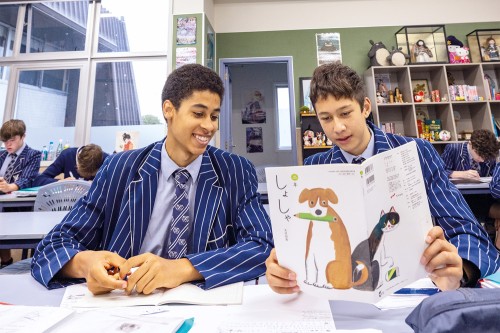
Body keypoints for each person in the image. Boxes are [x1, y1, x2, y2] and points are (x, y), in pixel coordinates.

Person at [31, 64, 273, 295]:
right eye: (199, 113)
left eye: (214, 116)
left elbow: (262, 245)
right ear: (169, 110)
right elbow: (52, 245)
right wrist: (86, 264)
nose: (209, 126)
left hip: (203, 308)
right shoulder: (119, 168)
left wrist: (183, 268)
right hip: (126, 303)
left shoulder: (235, 170)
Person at [265, 63, 500, 294]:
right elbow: (300, 243)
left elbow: (468, 231)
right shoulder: (314, 168)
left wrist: (461, 269)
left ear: (366, 107)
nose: (337, 127)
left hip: (411, 291)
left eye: (345, 113)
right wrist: (283, 270)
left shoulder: (417, 152)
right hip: (341, 292)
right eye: (326, 118)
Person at [441, 129, 500, 248]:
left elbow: (493, 177)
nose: (483, 160)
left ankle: (494, 251)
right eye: (480, 156)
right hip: (460, 200)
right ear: (471, 144)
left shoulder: (489, 155)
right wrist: (457, 174)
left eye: (486, 157)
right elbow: (439, 171)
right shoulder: (453, 149)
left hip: (484, 198)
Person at [0, 119, 41, 267]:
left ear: (23, 136)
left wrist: (10, 187)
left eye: (12, 140)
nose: (8, 145)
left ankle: (6, 262)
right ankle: (5, 262)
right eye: (5, 141)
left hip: (18, 206)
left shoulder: (33, 155)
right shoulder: (2, 155)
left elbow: (28, 179)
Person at [33, 144, 109, 186]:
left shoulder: (107, 160)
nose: (86, 177)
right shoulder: (67, 156)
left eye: (91, 174)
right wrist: (61, 182)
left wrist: (97, 184)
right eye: (83, 172)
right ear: (77, 163)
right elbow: (39, 180)